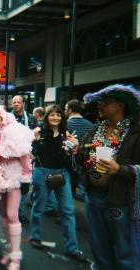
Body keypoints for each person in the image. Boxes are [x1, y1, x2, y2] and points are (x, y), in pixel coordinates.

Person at [79, 84, 140, 270]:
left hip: (119, 200)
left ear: (120, 105)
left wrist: (119, 169)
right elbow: (84, 156)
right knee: (99, 250)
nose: (100, 106)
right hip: (93, 197)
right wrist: (76, 150)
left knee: (125, 253)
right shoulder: (95, 130)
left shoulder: (135, 133)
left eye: (105, 103)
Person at [30, 105, 88, 262]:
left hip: (62, 173)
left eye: (58, 115)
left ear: (62, 117)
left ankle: (73, 248)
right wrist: (32, 147)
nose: (55, 117)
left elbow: (71, 155)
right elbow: (28, 151)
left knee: (68, 211)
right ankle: (35, 235)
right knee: (39, 207)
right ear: (47, 117)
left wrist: (74, 147)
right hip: (41, 172)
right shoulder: (38, 132)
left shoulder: (66, 135)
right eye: (52, 115)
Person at [0, 101, 33, 270]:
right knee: (2, 215)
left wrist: (26, 175)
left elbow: (24, 154)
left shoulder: (13, 130)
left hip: (14, 176)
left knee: (12, 214)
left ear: (1, 115)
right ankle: (9, 251)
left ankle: (16, 257)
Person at [11, 95, 37, 224]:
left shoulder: (31, 118)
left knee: (24, 186)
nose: (16, 104)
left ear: (23, 104)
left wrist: (34, 153)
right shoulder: (7, 118)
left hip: (27, 156)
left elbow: (36, 136)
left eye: (18, 102)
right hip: (11, 157)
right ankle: (12, 212)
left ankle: (19, 213)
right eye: (14, 102)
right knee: (12, 185)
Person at [65, 99, 94, 200]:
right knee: (83, 183)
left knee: (70, 185)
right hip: (85, 158)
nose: (65, 111)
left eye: (65, 109)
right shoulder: (90, 125)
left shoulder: (65, 124)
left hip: (70, 160)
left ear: (70, 110)